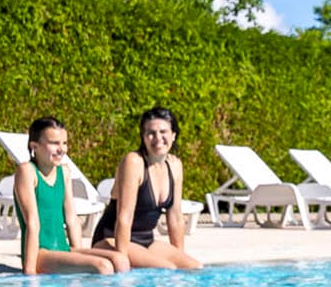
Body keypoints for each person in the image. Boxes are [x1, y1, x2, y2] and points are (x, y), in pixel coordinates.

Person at [14, 117, 129, 277]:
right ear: (35, 146)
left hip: (63, 248)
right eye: (54, 143)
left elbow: (72, 219)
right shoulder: (27, 171)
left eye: (64, 143)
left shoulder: (64, 171)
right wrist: (30, 273)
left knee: (121, 260)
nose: (61, 149)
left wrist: (78, 257)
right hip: (40, 253)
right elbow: (32, 223)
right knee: (103, 267)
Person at [91, 106, 202, 272]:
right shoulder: (134, 162)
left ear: (173, 135)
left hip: (146, 241)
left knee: (193, 267)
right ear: (143, 137)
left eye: (163, 132)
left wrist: (180, 261)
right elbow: (124, 217)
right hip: (112, 239)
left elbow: (176, 217)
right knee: (166, 268)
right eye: (151, 133)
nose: (158, 138)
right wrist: (121, 260)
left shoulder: (175, 166)